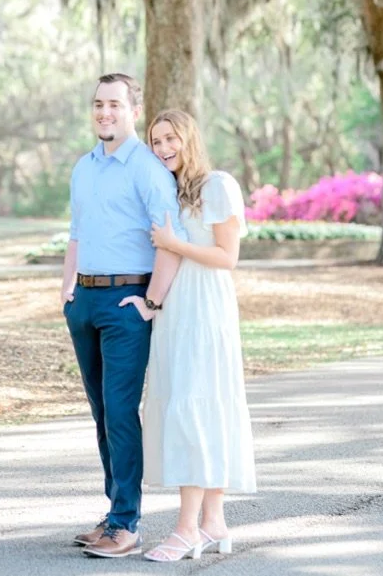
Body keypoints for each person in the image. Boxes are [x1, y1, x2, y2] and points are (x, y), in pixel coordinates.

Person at [122, 108, 256, 563]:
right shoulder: (171, 191)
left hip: (206, 310)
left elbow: (227, 256)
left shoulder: (217, 184)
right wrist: (150, 303)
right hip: (175, 312)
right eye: (156, 142)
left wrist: (173, 243)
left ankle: (185, 529)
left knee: (196, 408)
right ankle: (213, 522)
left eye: (170, 139)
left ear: (188, 138)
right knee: (194, 405)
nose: (162, 149)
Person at [63, 74, 186, 559]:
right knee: (101, 412)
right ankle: (113, 513)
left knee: (119, 410)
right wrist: (67, 290)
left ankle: (127, 524)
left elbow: (169, 241)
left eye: (114, 104)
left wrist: (150, 302)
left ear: (133, 108)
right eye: (97, 104)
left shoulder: (148, 169)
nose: (104, 112)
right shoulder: (83, 168)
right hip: (85, 302)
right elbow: (76, 233)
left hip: (127, 302)